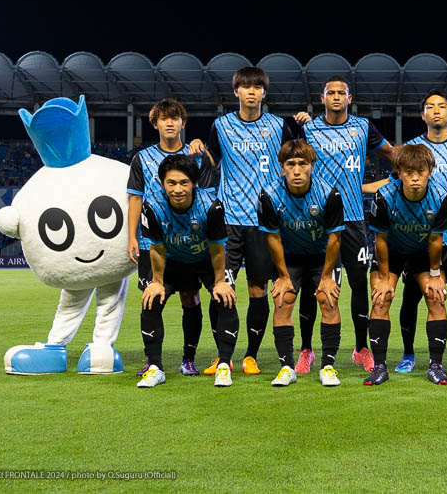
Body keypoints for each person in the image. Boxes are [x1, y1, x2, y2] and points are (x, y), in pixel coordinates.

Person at [204, 66, 300, 376]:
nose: (251, 92)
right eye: (245, 87)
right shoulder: (221, 126)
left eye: (257, 87)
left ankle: (250, 356)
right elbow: (209, 162)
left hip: (263, 223)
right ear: (236, 91)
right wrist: (196, 148)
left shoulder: (278, 126)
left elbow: (297, 158)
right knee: (221, 289)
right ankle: (223, 356)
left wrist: (308, 126)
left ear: (264, 93)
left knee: (258, 291)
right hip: (229, 223)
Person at [297, 76, 394, 373]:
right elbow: (289, 160)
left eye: (342, 93)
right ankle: (306, 350)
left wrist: (423, 150)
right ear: (322, 98)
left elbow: (393, 154)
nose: (337, 97)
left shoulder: (363, 127)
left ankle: (361, 349)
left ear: (350, 98)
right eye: (331, 93)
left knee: (358, 285)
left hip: (353, 220)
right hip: (318, 221)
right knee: (315, 286)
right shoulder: (308, 129)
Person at [381, 90, 447, 374]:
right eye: (430, 107)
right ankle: (408, 353)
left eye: (442, 106)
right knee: (412, 298)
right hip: (420, 239)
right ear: (422, 115)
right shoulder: (411, 148)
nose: (436, 111)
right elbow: (393, 185)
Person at [126, 98, 214, 377]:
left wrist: (201, 146)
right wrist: (131, 237)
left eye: (175, 118)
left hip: (189, 242)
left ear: (182, 123)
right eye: (164, 119)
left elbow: (208, 195)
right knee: (153, 299)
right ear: (155, 124)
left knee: (190, 297)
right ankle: (153, 361)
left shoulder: (196, 155)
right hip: (152, 242)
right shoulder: (142, 159)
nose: (169, 123)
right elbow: (135, 199)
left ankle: (189, 359)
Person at [137, 154, 236, 388]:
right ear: (163, 184)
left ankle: (223, 365)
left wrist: (220, 282)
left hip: (206, 260)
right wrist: (157, 282)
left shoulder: (212, 206)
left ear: (194, 183)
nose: (178, 189)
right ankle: (155, 368)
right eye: (171, 183)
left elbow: (217, 249)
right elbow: (157, 248)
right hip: (173, 260)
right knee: (151, 301)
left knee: (226, 299)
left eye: (184, 183)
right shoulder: (152, 207)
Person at [258, 140, 345, 387]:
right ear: (281, 167)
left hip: (322, 256)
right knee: (282, 299)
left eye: (303, 164)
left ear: (312, 166)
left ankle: (328, 366)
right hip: (290, 257)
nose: (297, 170)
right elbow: (273, 238)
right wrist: (283, 276)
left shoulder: (329, 194)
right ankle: (286, 368)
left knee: (328, 300)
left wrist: (326, 277)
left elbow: (335, 238)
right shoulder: (269, 195)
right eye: (291, 164)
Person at [367, 144, 447, 385]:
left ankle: (436, 366)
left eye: (420, 172)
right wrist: (385, 277)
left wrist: (435, 274)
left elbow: (436, 239)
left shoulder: (442, 196)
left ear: (430, 172)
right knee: (381, 298)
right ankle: (379, 368)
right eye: (408, 172)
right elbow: (380, 239)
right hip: (391, 251)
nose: (415, 178)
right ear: (399, 172)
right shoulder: (384, 196)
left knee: (436, 296)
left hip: (422, 251)